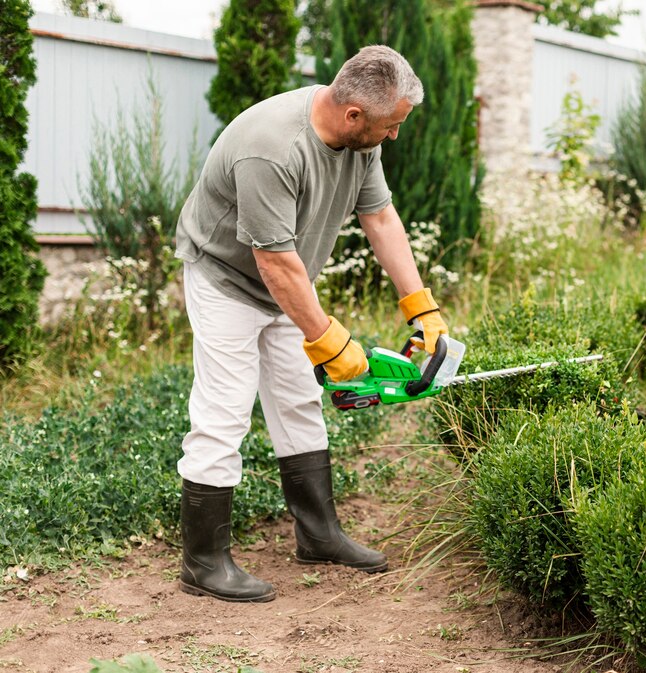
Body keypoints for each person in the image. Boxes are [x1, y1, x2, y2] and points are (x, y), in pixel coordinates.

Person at [173, 45, 448, 603]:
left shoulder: (358, 141)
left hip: (287, 281)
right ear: (355, 115)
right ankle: (202, 562)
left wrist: (419, 304)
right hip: (227, 278)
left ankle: (318, 535)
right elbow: (272, 262)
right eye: (391, 126)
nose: (394, 136)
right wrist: (326, 338)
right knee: (224, 411)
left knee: (298, 398)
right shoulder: (272, 149)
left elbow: (380, 217)